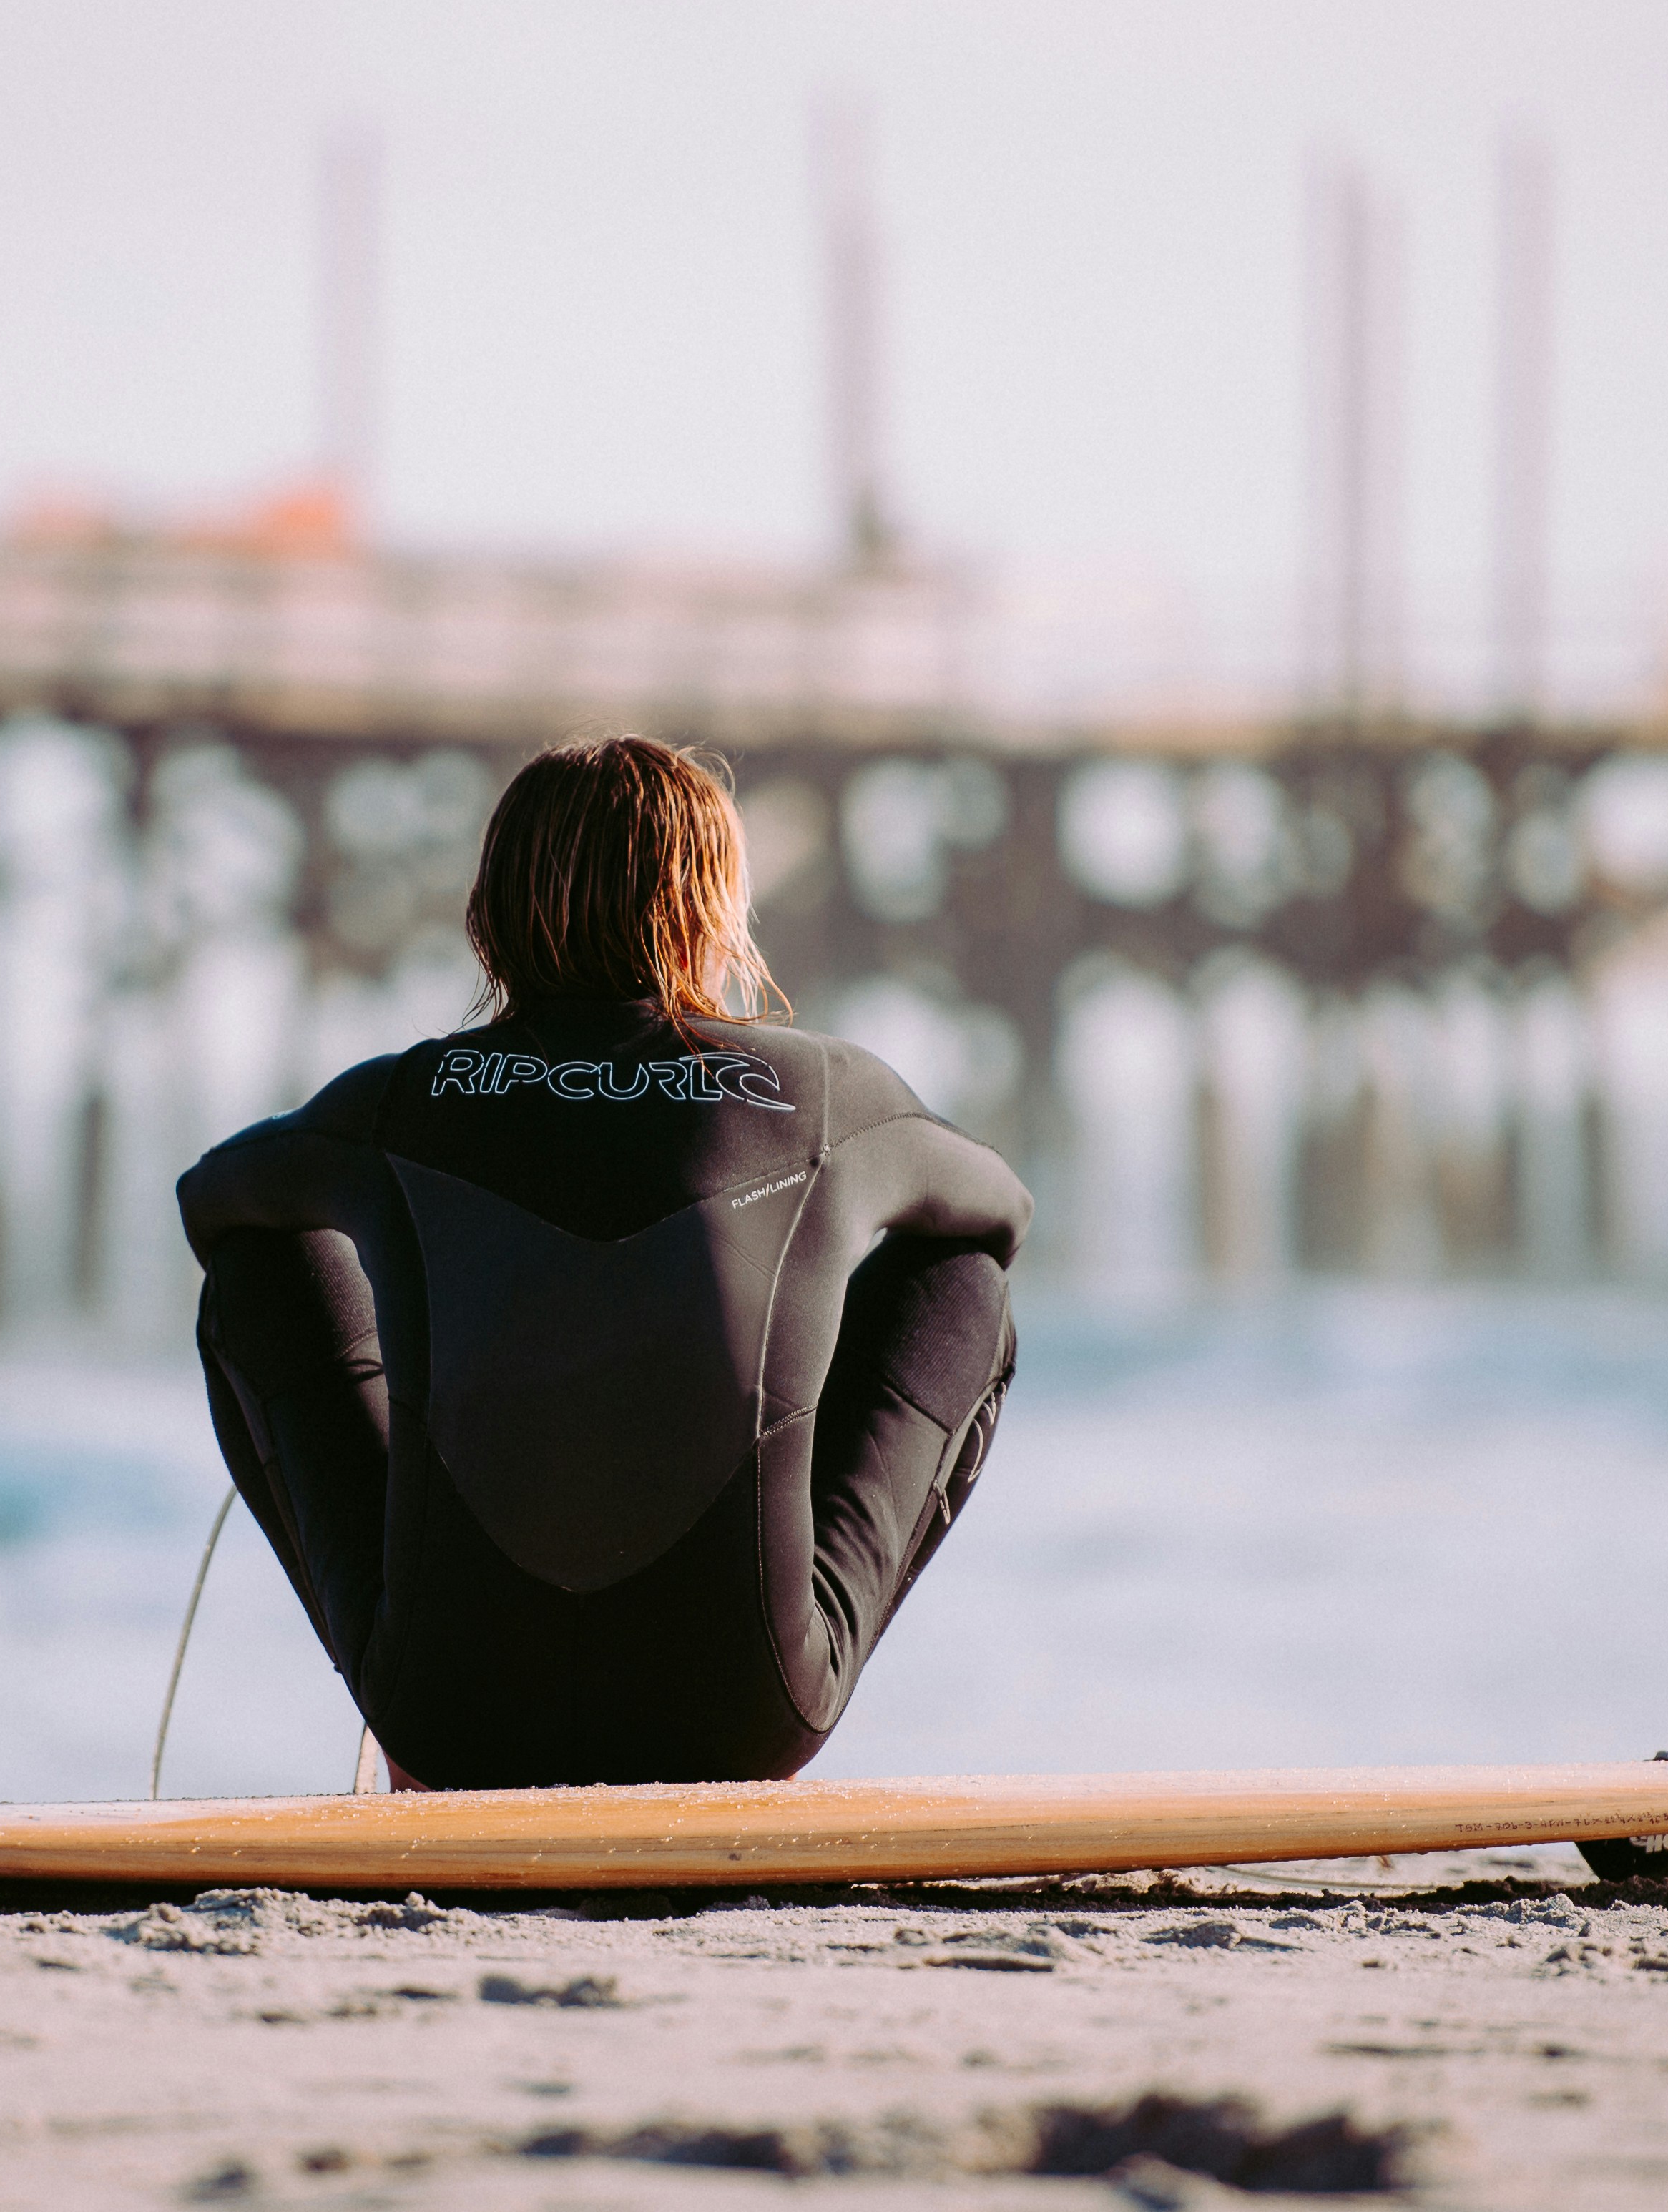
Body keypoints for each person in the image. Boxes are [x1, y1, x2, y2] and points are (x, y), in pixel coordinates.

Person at [175, 736, 1029, 1790]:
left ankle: (401, 1716)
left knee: (254, 1276)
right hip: (737, 1717)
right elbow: (998, 1211)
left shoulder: (404, 1101)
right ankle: (770, 1626)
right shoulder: (813, 1094)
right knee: (963, 1283)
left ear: (492, 913)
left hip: (450, 1712)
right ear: (710, 909)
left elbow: (213, 1201)